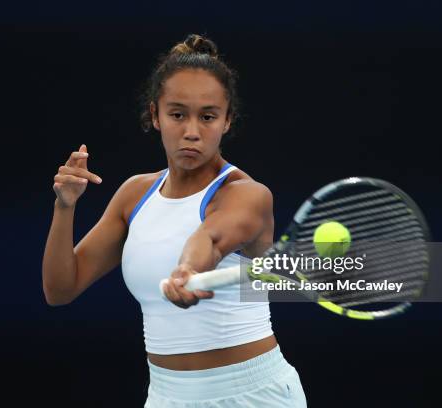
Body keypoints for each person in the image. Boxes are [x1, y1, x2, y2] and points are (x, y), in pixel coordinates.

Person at [42, 34, 307, 407]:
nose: (192, 131)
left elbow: (210, 238)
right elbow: (60, 289)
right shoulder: (134, 194)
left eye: (208, 116)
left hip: (253, 396)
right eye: (178, 114)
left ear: (228, 121)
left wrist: (187, 269)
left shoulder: (247, 194)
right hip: (166, 396)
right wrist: (64, 207)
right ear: (155, 115)